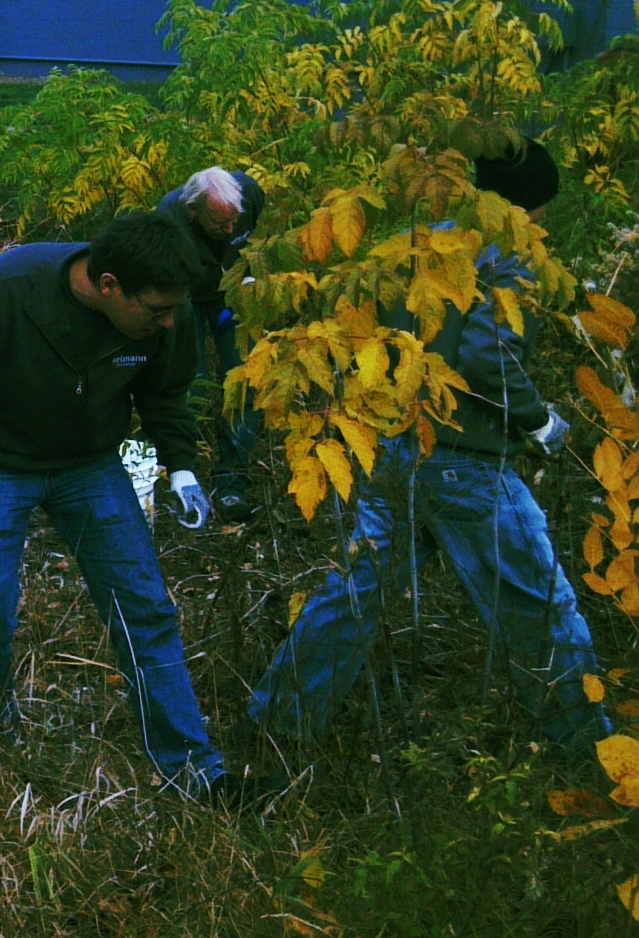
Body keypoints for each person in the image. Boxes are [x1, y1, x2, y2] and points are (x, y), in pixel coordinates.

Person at [0, 211, 266, 801]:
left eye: (173, 311)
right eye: (155, 311)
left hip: (90, 466)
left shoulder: (165, 309)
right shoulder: (0, 292)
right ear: (108, 285)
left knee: (146, 611)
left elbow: (165, 393)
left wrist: (181, 465)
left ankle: (193, 771)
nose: (167, 323)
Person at [247, 142, 612, 754]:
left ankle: (277, 727)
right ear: (531, 206)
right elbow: (487, 356)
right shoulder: (509, 258)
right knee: (540, 605)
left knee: (355, 593)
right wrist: (538, 421)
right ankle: (595, 753)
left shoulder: (422, 242)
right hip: (466, 465)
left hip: (393, 450)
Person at [156, 166, 269, 522]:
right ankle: (184, 478)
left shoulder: (248, 193)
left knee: (245, 381)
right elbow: (167, 282)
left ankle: (231, 484)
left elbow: (262, 239)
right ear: (194, 211)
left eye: (235, 221)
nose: (231, 229)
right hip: (187, 296)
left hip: (233, 294)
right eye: (220, 224)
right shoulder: (169, 219)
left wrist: (251, 276)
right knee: (193, 387)